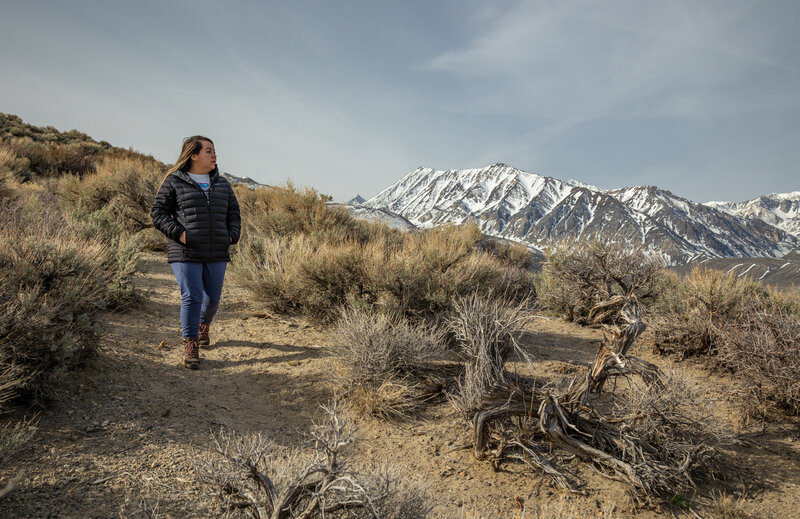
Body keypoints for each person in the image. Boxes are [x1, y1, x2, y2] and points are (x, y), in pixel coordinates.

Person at [151, 136, 241, 369]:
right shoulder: (174, 182)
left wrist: (231, 236)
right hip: (185, 251)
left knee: (212, 299)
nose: (214, 155)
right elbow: (158, 213)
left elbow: (234, 214)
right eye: (208, 151)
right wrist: (180, 234)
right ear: (193, 155)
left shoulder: (223, 184)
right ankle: (190, 342)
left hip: (216, 251)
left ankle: (203, 326)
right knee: (192, 295)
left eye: (214, 151)